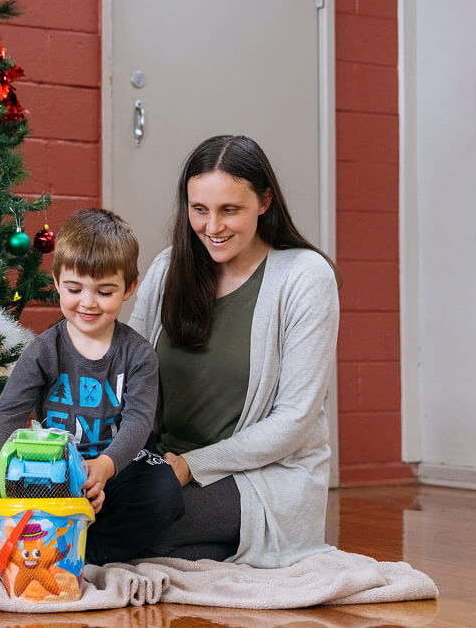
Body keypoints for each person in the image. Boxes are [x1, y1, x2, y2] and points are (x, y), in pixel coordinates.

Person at [127, 134, 340, 568]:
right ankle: (213, 553)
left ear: (264, 202)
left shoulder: (304, 277)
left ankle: (225, 544)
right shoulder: (169, 267)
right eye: (199, 209)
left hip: (259, 478)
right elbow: (130, 374)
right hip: (164, 462)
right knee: (82, 506)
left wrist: (189, 466)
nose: (212, 226)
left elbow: (295, 420)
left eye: (230, 210)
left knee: (127, 522)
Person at [0, 208, 184, 565]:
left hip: (113, 465)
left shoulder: (137, 354)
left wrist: (105, 467)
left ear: (129, 289)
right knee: (11, 487)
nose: (88, 303)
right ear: (57, 281)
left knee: (164, 491)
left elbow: (138, 422)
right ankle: (46, 542)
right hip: (52, 468)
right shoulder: (44, 349)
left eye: (104, 292)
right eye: (75, 289)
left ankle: (88, 554)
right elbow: (9, 410)